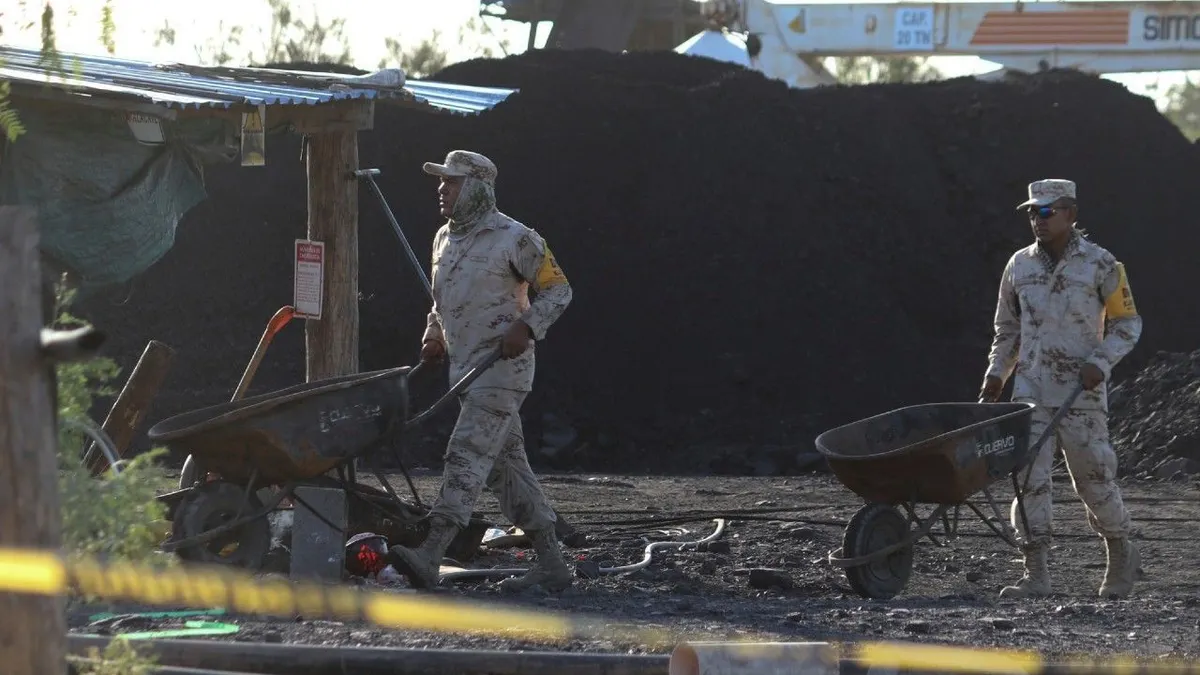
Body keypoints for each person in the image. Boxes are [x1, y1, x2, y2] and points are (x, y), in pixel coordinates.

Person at [388, 150, 575, 594]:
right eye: (441, 182)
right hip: (465, 372)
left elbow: (559, 291)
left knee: (466, 453)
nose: (441, 189)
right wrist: (433, 334)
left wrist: (526, 326)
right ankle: (551, 562)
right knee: (506, 471)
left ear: (476, 187)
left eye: (451, 182)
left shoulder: (516, 238)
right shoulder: (443, 240)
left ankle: (431, 552)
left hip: (502, 371)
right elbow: (442, 300)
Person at [980, 178, 1142, 600]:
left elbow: (1128, 324)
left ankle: (1121, 551)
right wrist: (998, 373)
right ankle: (1036, 573)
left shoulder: (1102, 265)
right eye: (1033, 212)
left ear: (1071, 213)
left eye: (1047, 211)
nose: (1038, 219)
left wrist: (1100, 362)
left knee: (1093, 479)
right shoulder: (1019, 266)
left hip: (1081, 391)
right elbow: (1008, 329)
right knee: (1028, 480)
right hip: (1030, 390)